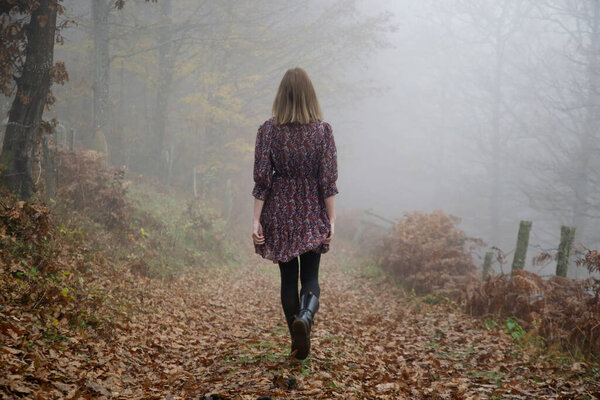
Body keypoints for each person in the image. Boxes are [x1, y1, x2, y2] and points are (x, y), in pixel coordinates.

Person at [251, 67, 338, 360]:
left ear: (281, 96)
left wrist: (255, 219)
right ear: (309, 95)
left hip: (279, 210)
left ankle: (296, 341)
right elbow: (327, 181)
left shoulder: (268, 130)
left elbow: (262, 179)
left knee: (288, 279)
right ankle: (306, 318)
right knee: (310, 278)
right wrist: (332, 220)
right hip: (311, 209)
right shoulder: (323, 131)